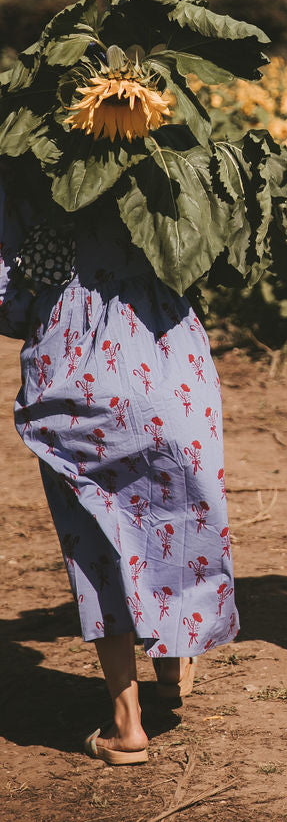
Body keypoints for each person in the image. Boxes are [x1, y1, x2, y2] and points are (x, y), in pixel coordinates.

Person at [0, 172, 238, 765]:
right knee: (172, 501)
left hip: (74, 349)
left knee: (96, 526)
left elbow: (7, 290)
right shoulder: (166, 148)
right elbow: (209, 247)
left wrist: (42, 300)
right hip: (163, 337)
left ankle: (127, 722)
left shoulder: (21, 162)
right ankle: (173, 665)